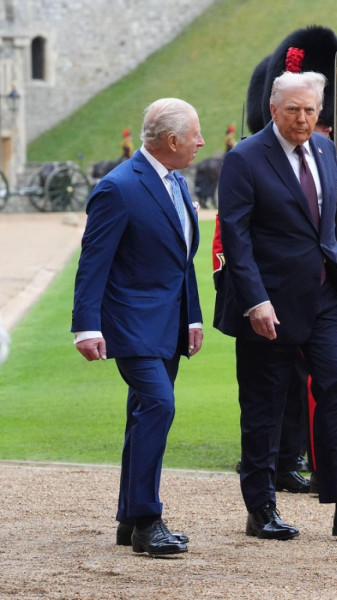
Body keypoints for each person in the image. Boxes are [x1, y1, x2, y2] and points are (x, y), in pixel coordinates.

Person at [215, 70, 337, 539]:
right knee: (265, 404)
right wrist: (254, 300)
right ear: (273, 109)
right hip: (270, 303)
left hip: (325, 297)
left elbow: (335, 222)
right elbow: (235, 237)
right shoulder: (244, 158)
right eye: (294, 110)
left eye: (311, 111)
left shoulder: (322, 149)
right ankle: (261, 507)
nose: (302, 119)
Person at [72, 98, 204, 556]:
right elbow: (93, 263)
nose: (201, 142)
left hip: (168, 325)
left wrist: (192, 317)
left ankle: (130, 520)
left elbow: (182, 260)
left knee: (144, 413)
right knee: (159, 405)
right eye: (195, 134)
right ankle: (148, 520)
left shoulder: (177, 182)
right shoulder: (118, 187)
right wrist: (86, 327)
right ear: (172, 140)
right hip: (130, 325)